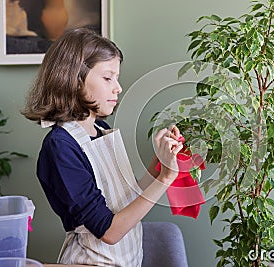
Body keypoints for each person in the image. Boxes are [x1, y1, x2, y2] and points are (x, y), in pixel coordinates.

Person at [23, 28, 183, 266]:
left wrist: (160, 162)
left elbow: (126, 199)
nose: (117, 87)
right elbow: (109, 231)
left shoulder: (100, 129)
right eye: (108, 78)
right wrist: (167, 177)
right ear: (75, 80)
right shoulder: (60, 146)